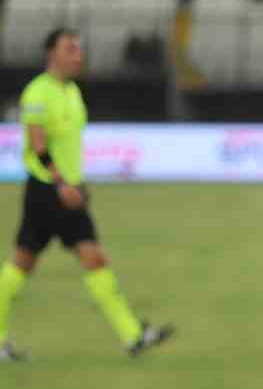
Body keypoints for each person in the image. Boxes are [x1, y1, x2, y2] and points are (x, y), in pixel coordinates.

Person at [0, 29, 174, 361]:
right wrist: (61, 184)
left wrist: (77, 181)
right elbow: (38, 147)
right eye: (70, 49)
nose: (78, 56)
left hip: (69, 191)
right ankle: (133, 336)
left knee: (87, 259)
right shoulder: (37, 93)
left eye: (79, 50)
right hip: (46, 192)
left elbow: (69, 145)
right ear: (51, 54)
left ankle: (133, 336)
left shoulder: (73, 92)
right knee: (23, 264)